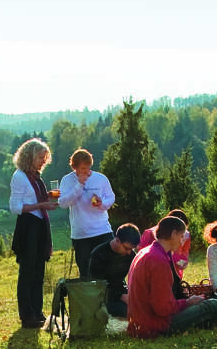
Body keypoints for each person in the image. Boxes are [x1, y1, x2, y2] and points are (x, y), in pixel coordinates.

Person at [8, 137, 58, 329]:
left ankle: (38, 312)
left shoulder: (35, 177)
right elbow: (15, 207)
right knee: (27, 272)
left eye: (45, 158)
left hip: (39, 226)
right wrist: (41, 205)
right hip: (28, 226)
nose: (43, 162)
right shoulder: (19, 176)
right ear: (29, 156)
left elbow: (40, 200)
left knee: (39, 271)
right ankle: (27, 315)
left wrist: (48, 201)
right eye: (40, 157)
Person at [56, 148, 116, 280]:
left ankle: (112, 298)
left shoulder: (100, 178)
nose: (86, 172)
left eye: (88, 168)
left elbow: (111, 198)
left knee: (110, 268)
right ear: (75, 167)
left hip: (102, 231)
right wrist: (79, 185)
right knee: (86, 272)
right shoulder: (67, 180)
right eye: (83, 168)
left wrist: (101, 203)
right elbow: (63, 203)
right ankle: (89, 299)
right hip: (81, 235)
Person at [88, 223, 140, 317]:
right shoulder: (98, 255)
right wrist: (121, 297)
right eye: (127, 248)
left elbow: (138, 278)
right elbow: (97, 287)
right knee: (126, 311)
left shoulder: (131, 255)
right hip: (103, 297)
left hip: (122, 290)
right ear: (117, 240)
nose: (129, 252)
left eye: (132, 249)